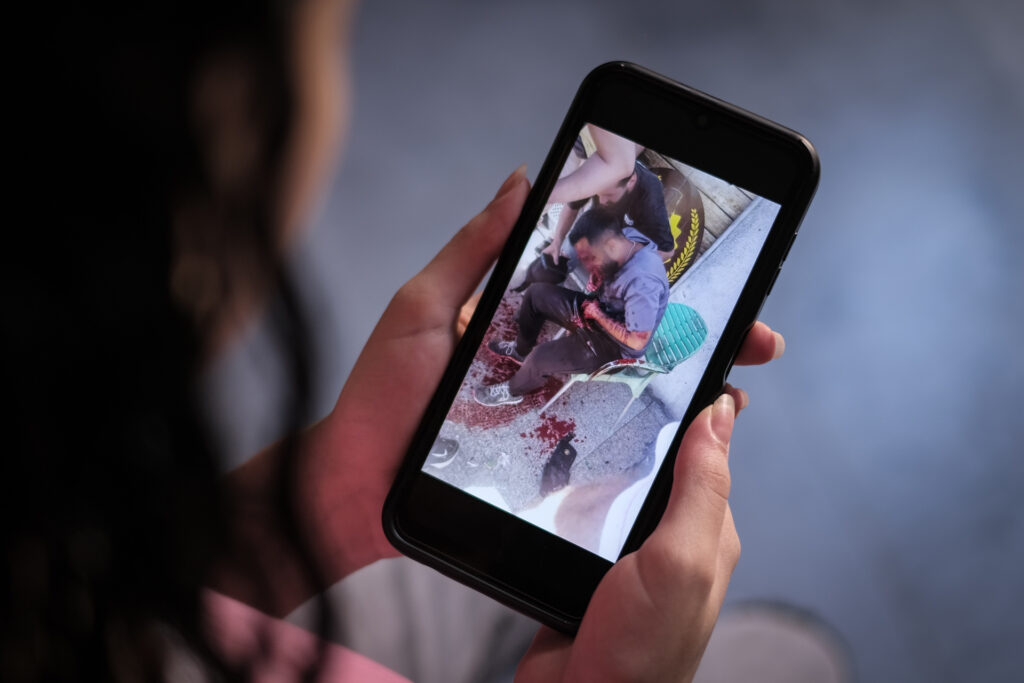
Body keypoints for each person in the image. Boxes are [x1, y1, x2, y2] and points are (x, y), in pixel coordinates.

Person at [5, 1, 787, 681]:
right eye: (328, 37)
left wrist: (345, 473)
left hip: (596, 348)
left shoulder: (60, 534)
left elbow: (629, 334)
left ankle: (518, 393)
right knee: (784, 654)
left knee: (543, 371)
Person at [476, 207, 669, 406]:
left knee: (539, 358)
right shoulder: (626, 238)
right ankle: (520, 349)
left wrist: (598, 315)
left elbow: (636, 342)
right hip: (597, 311)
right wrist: (599, 277)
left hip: (615, 347)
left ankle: (511, 391)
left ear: (610, 244)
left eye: (592, 257)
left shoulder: (643, 284)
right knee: (536, 293)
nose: (589, 264)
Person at [543, 127, 676, 266]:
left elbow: (667, 252)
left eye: (608, 194)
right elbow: (571, 207)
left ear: (631, 182)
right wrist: (557, 242)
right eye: (599, 192)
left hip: (627, 251)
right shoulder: (600, 178)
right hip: (606, 233)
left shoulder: (649, 195)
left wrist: (622, 265)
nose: (601, 201)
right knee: (568, 254)